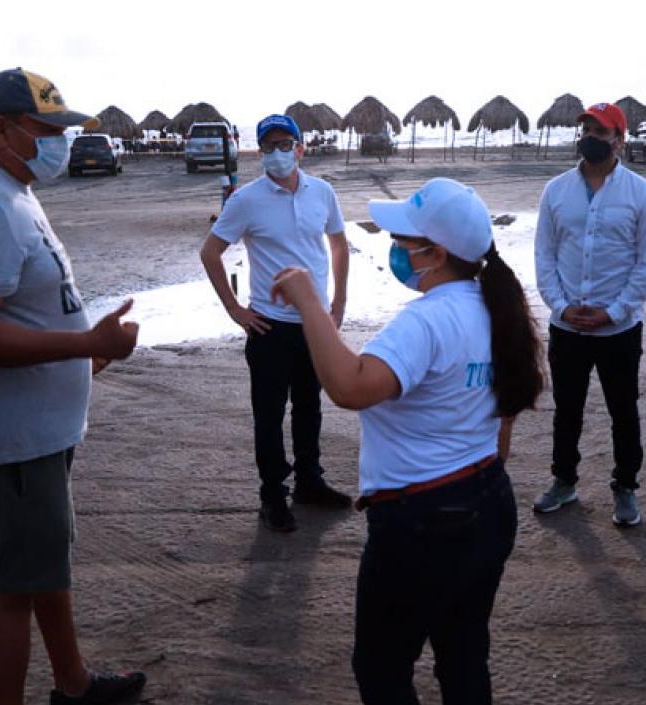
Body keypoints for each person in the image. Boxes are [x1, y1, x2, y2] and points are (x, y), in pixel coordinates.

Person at [268, 178, 544, 704]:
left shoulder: (425, 321)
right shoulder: (498, 311)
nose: (395, 249)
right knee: (463, 655)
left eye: (402, 241)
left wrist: (308, 303)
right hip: (488, 501)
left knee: (382, 668)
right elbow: (501, 424)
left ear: (435, 254)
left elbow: (349, 387)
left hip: (422, 525)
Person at [0, 68, 146, 705]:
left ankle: (72, 684)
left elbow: (19, 310)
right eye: (46, 130)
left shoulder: (8, 187)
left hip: (33, 434)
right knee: (13, 586)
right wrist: (85, 345)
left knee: (44, 566)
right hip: (6, 441)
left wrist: (87, 359)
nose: (58, 143)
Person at [200, 113, 352, 532]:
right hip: (269, 327)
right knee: (268, 415)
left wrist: (338, 303)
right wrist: (235, 310)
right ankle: (272, 496)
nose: (278, 153)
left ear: (301, 148)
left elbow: (339, 244)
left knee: (309, 406)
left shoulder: (322, 192)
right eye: (269, 146)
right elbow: (210, 253)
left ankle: (310, 482)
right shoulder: (246, 200)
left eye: (286, 145)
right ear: (260, 152)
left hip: (314, 323)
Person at [532, 102, 646, 526]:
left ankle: (625, 487)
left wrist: (615, 312)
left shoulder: (641, 194)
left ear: (619, 140)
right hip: (567, 326)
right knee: (566, 410)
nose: (590, 136)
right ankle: (564, 482)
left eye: (601, 130)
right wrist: (561, 305)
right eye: (586, 128)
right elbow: (544, 255)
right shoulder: (555, 191)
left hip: (619, 330)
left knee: (623, 410)